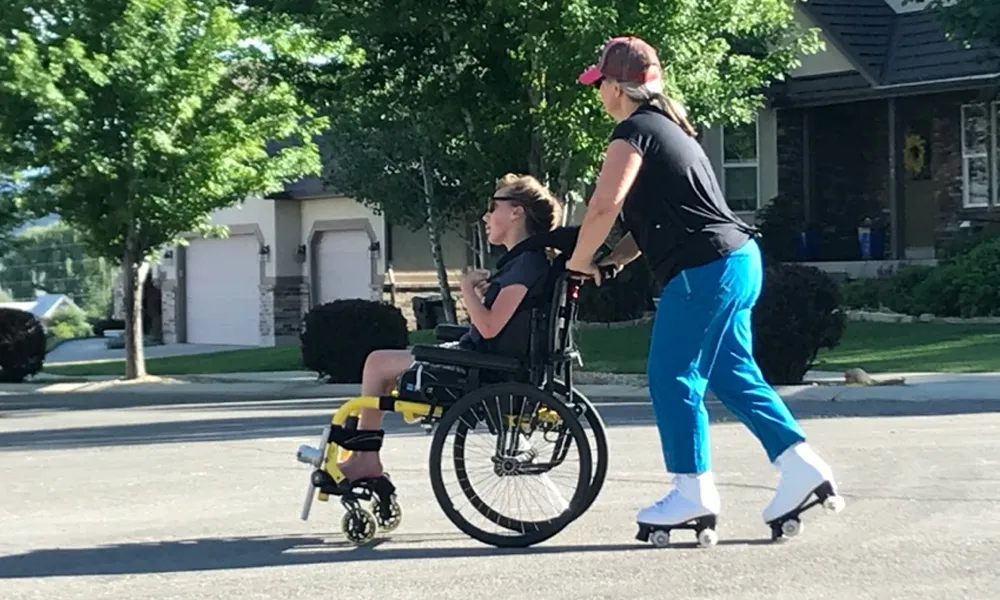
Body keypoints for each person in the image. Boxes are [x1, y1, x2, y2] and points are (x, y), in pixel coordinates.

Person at [566, 36, 842, 532]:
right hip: (736, 261)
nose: (598, 94)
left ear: (617, 87)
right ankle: (801, 467)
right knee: (732, 374)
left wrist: (577, 262)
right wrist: (609, 264)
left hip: (703, 272)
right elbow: (642, 227)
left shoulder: (633, 132)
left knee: (672, 376)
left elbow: (604, 207)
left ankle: (690, 491)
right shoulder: (671, 130)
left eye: (600, 84)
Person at [337, 173, 563, 481]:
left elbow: (488, 328)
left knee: (377, 363)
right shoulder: (523, 263)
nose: (486, 215)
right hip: (486, 362)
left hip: (482, 370)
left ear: (516, 211)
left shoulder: (525, 265)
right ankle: (365, 456)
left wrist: (466, 289)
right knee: (381, 367)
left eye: (493, 206)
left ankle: (366, 458)